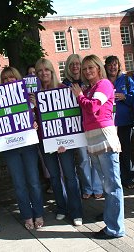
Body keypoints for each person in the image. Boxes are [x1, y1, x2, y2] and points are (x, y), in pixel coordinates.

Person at [70, 54, 125, 239]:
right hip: (93, 139)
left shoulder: (104, 84)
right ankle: (111, 218)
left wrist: (79, 96)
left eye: (90, 67)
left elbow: (93, 107)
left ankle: (115, 228)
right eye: (85, 69)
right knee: (106, 185)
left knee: (113, 186)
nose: (87, 71)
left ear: (98, 68)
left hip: (104, 138)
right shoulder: (90, 88)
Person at [0, 67, 45, 230]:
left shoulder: (28, 97)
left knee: (34, 182)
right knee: (19, 183)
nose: (8, 81)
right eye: (5, 79)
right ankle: (27, 215)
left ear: (18, 79)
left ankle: (39, 213)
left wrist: (35, 117)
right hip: (10, 148)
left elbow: (38, 119)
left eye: (11, 78)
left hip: (28, 144)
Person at [32, 58, 83, 226]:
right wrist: (33, 109)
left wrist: (65, 141)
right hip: (45, 141)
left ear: (52, 71)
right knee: (54, 177)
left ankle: (76, 211)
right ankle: (61, 207)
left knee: (70, 176)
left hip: (64, 142)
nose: (43, 73)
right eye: (39, 71)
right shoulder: (35, 95)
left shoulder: (63, 90)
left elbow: (72, 117)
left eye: (46, 70)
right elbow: (34, 121)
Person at [62, 54, 103, 199]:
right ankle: (87, 187)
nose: (75, 67)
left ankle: (97, 187)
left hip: (91, 123)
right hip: (75, 126)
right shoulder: (64, 84)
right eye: (72, 64)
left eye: (78, 64)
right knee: (84, 159)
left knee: (95, 157)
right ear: (68, 66)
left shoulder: (89, 83)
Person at [104, 55, 134, 189]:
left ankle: (128, 178)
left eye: (115, 64)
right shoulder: (103, 81)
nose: (112, 67)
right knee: (112, 153)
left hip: (125, 122)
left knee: (126, 151)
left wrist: (125, 97)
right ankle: (116, 179)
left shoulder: (127, 80)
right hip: (109, 124)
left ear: (119, 66)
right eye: (110, 64)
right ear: (105, 66)